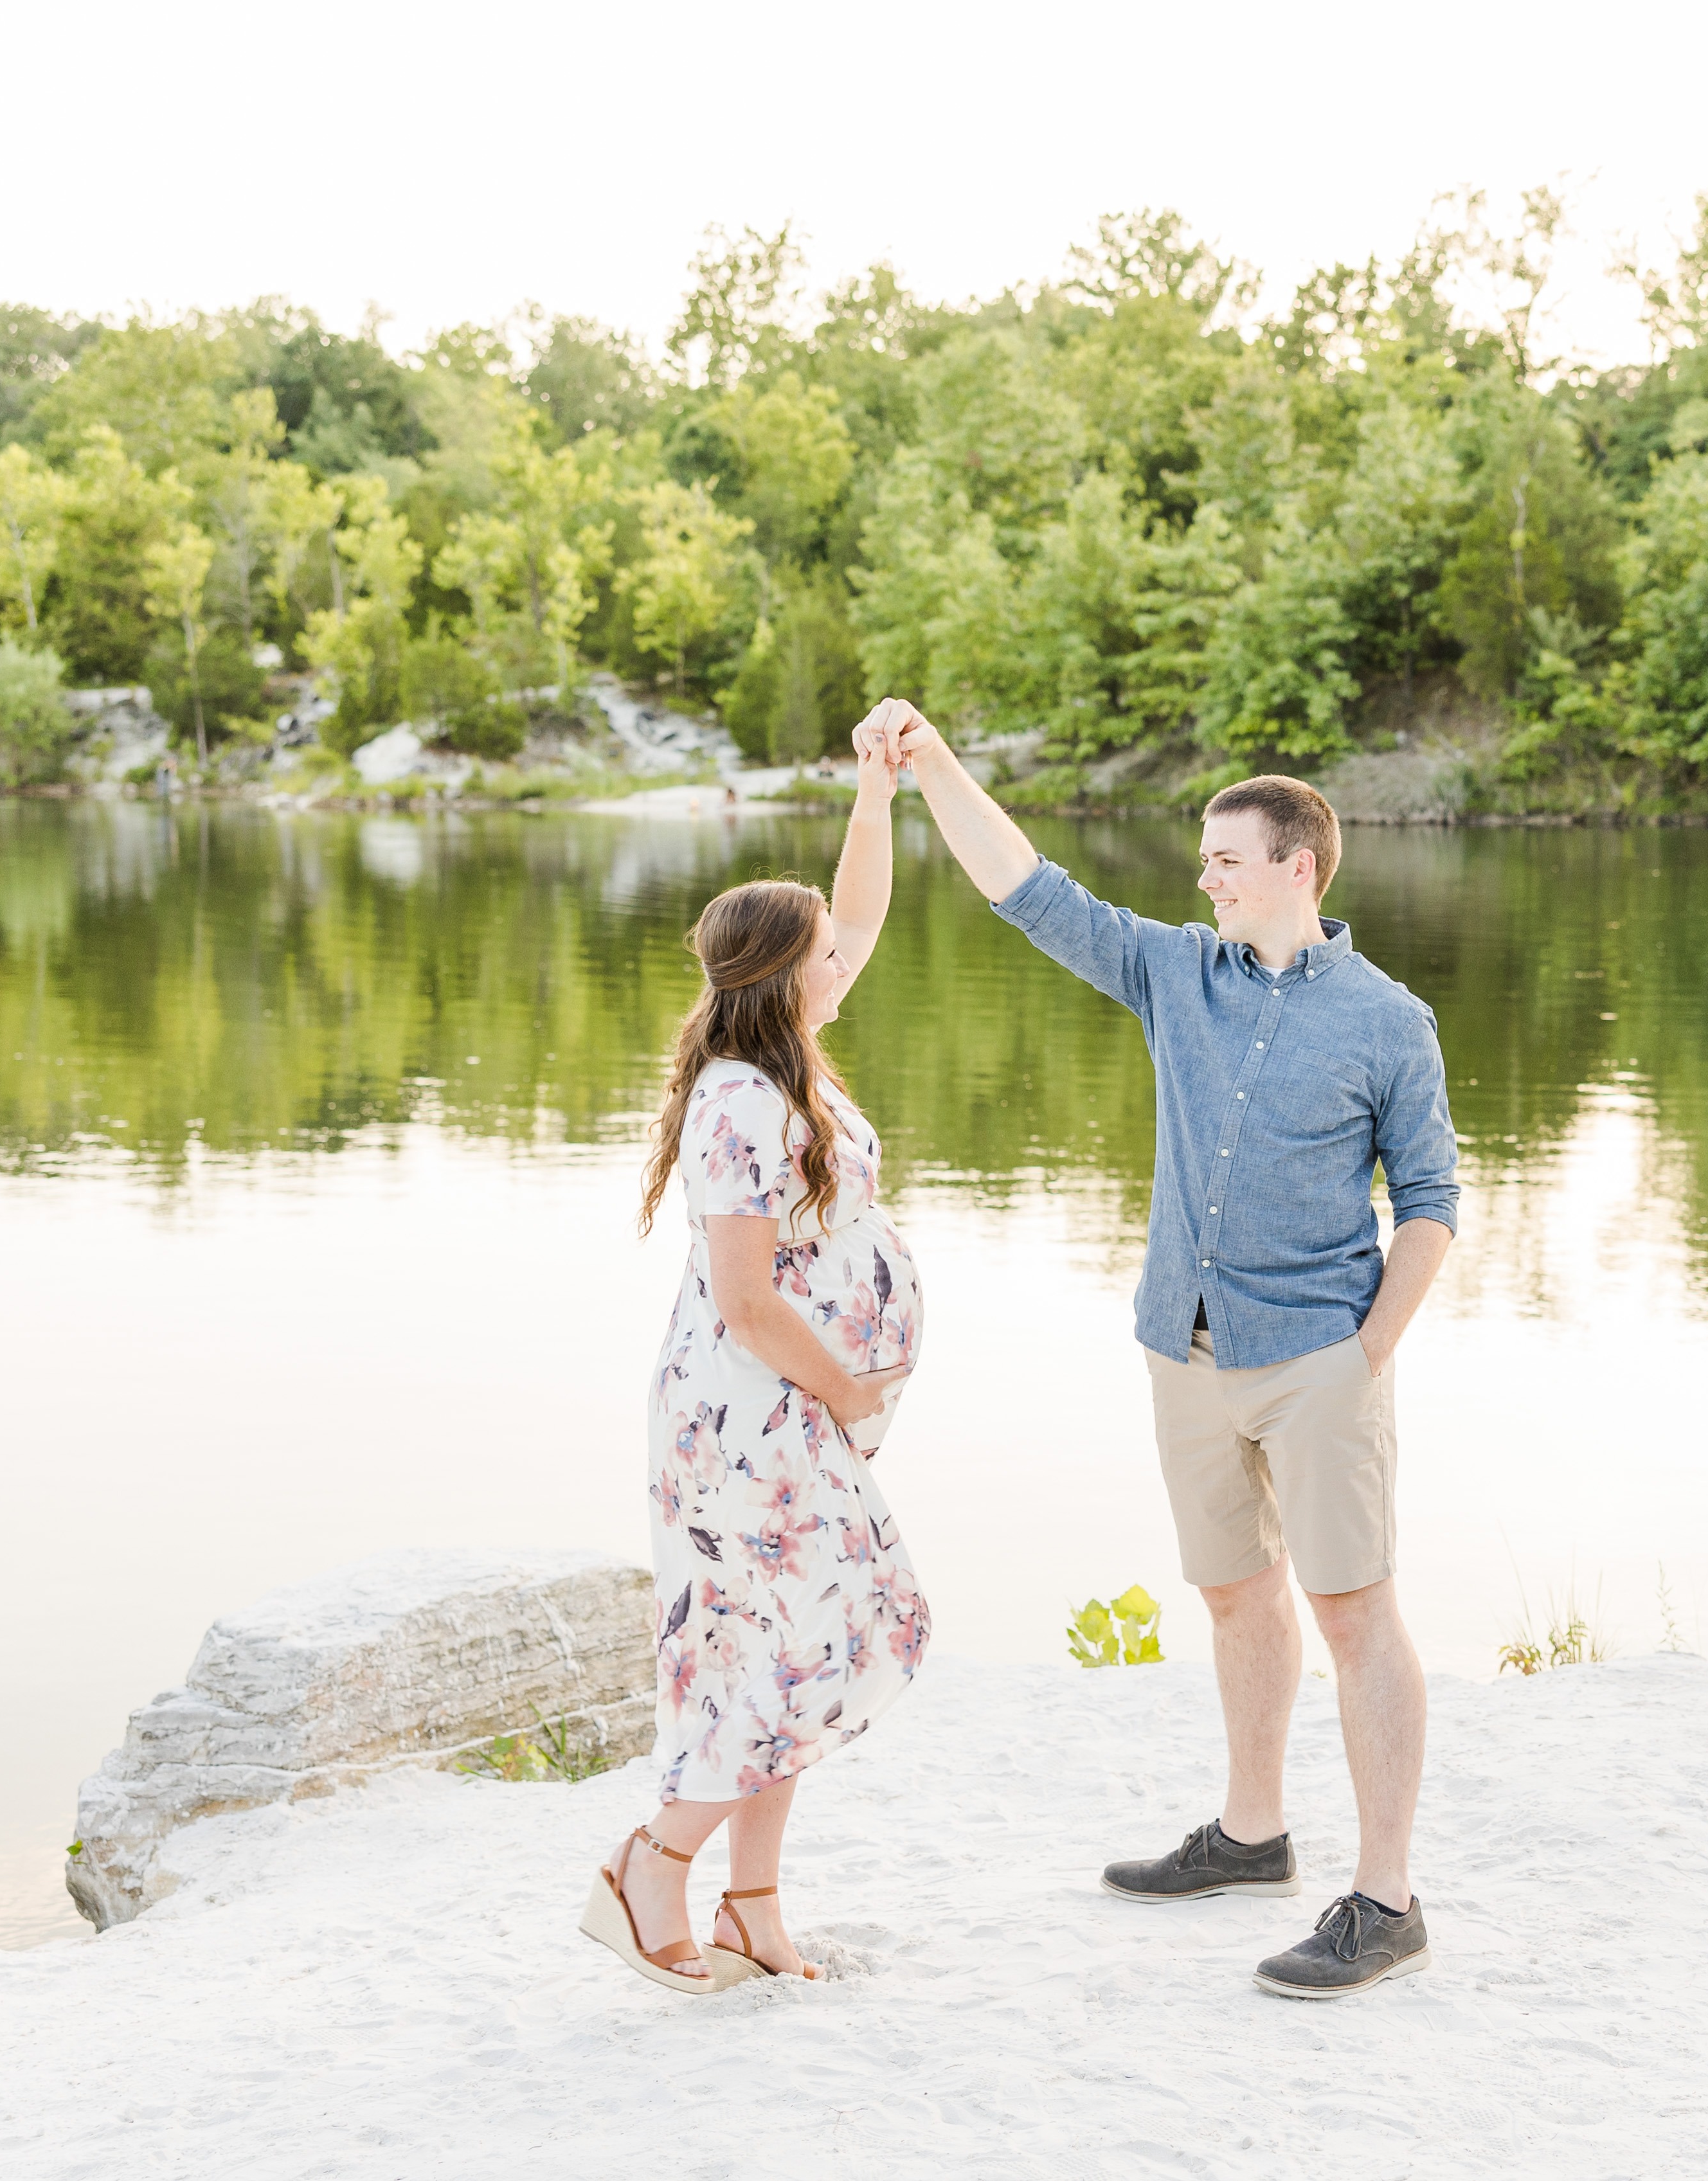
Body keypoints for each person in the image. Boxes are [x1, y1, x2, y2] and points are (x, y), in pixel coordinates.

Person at [867, 701, 1457, 2002]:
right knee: (1236, 1591)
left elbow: (1429, 1209)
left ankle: (1388, 1897)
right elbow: (1031, 890)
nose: (1204, 874)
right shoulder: (1175, 971)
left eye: (1225, 857)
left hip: (1319, 1355)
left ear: (1297, 866)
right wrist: (935, 766)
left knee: (1354, 1613)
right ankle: (1252, 1835)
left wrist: (1366, 1355)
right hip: (1181, 1346)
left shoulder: (1387, 1021)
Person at [580, 707, 932, 1994]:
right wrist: (845, 1382)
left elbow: (860, 905)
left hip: (791, 1413)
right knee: (762, 1648)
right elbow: (743, 1297)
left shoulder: (792, 1055)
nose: (847, 956)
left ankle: (753, 1907)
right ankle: (647, 1864)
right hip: (752, 1409)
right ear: (786, 973)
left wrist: (875, 794)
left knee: (811, 1636)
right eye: (827, 952)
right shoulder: (740, 1097)